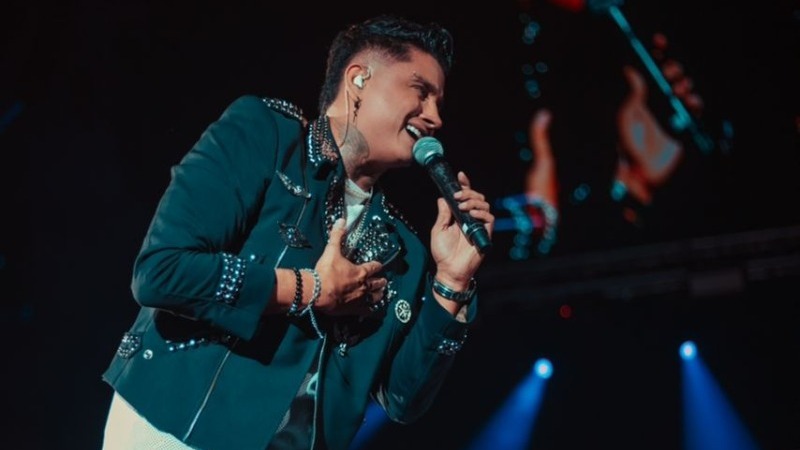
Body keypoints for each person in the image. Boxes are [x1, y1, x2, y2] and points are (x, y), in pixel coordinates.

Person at [101, 14, 494, 450]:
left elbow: (403, 400)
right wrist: (310, 288)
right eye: (420, 91)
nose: (435, 116)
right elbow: (161, 272)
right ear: (359, 79)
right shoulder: (265, 135)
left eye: (439, 102)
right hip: (175, 426)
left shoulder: (404, 251)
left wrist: (452, 282)